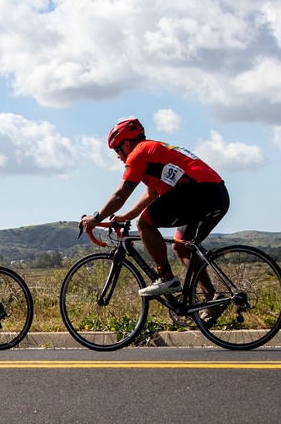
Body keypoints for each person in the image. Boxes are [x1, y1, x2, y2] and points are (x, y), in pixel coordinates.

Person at [78, 118, 230, 301]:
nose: (118, 157)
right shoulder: (154, 151)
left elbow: (120, 195)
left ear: (126, 145)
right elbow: (151, 194)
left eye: (117, 151)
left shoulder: (138, 153)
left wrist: (95, 217)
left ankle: (166, 278)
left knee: (144, 223)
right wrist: (124, 216)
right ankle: (212, 299)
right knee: (182, 247)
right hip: (217, 193)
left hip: (196, 192)